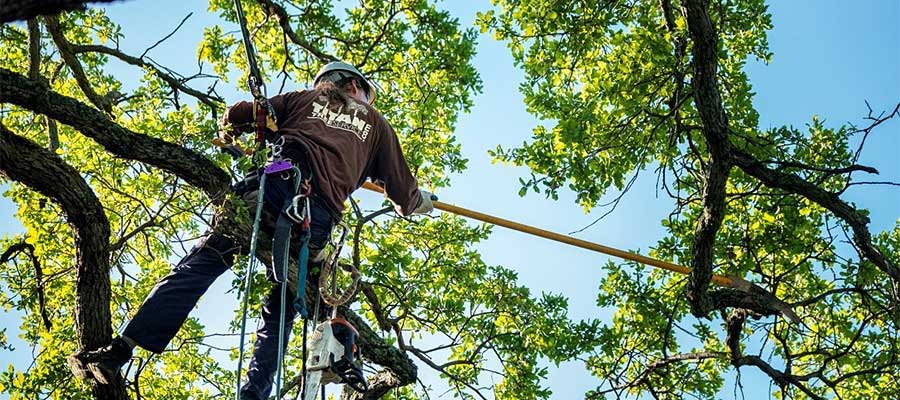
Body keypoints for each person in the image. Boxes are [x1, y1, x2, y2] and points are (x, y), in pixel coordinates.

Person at [67, 61, 433, 400]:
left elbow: (238, 116)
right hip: (314, 222)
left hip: (270, 192)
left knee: (202, 264)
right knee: (283, 308)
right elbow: (404, 195)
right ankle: (253, 394)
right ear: (355, 85)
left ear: (330, 84)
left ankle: (121, 349)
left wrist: (253, 126)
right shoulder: (377, 125)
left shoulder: (303, 98)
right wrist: (421, 201)